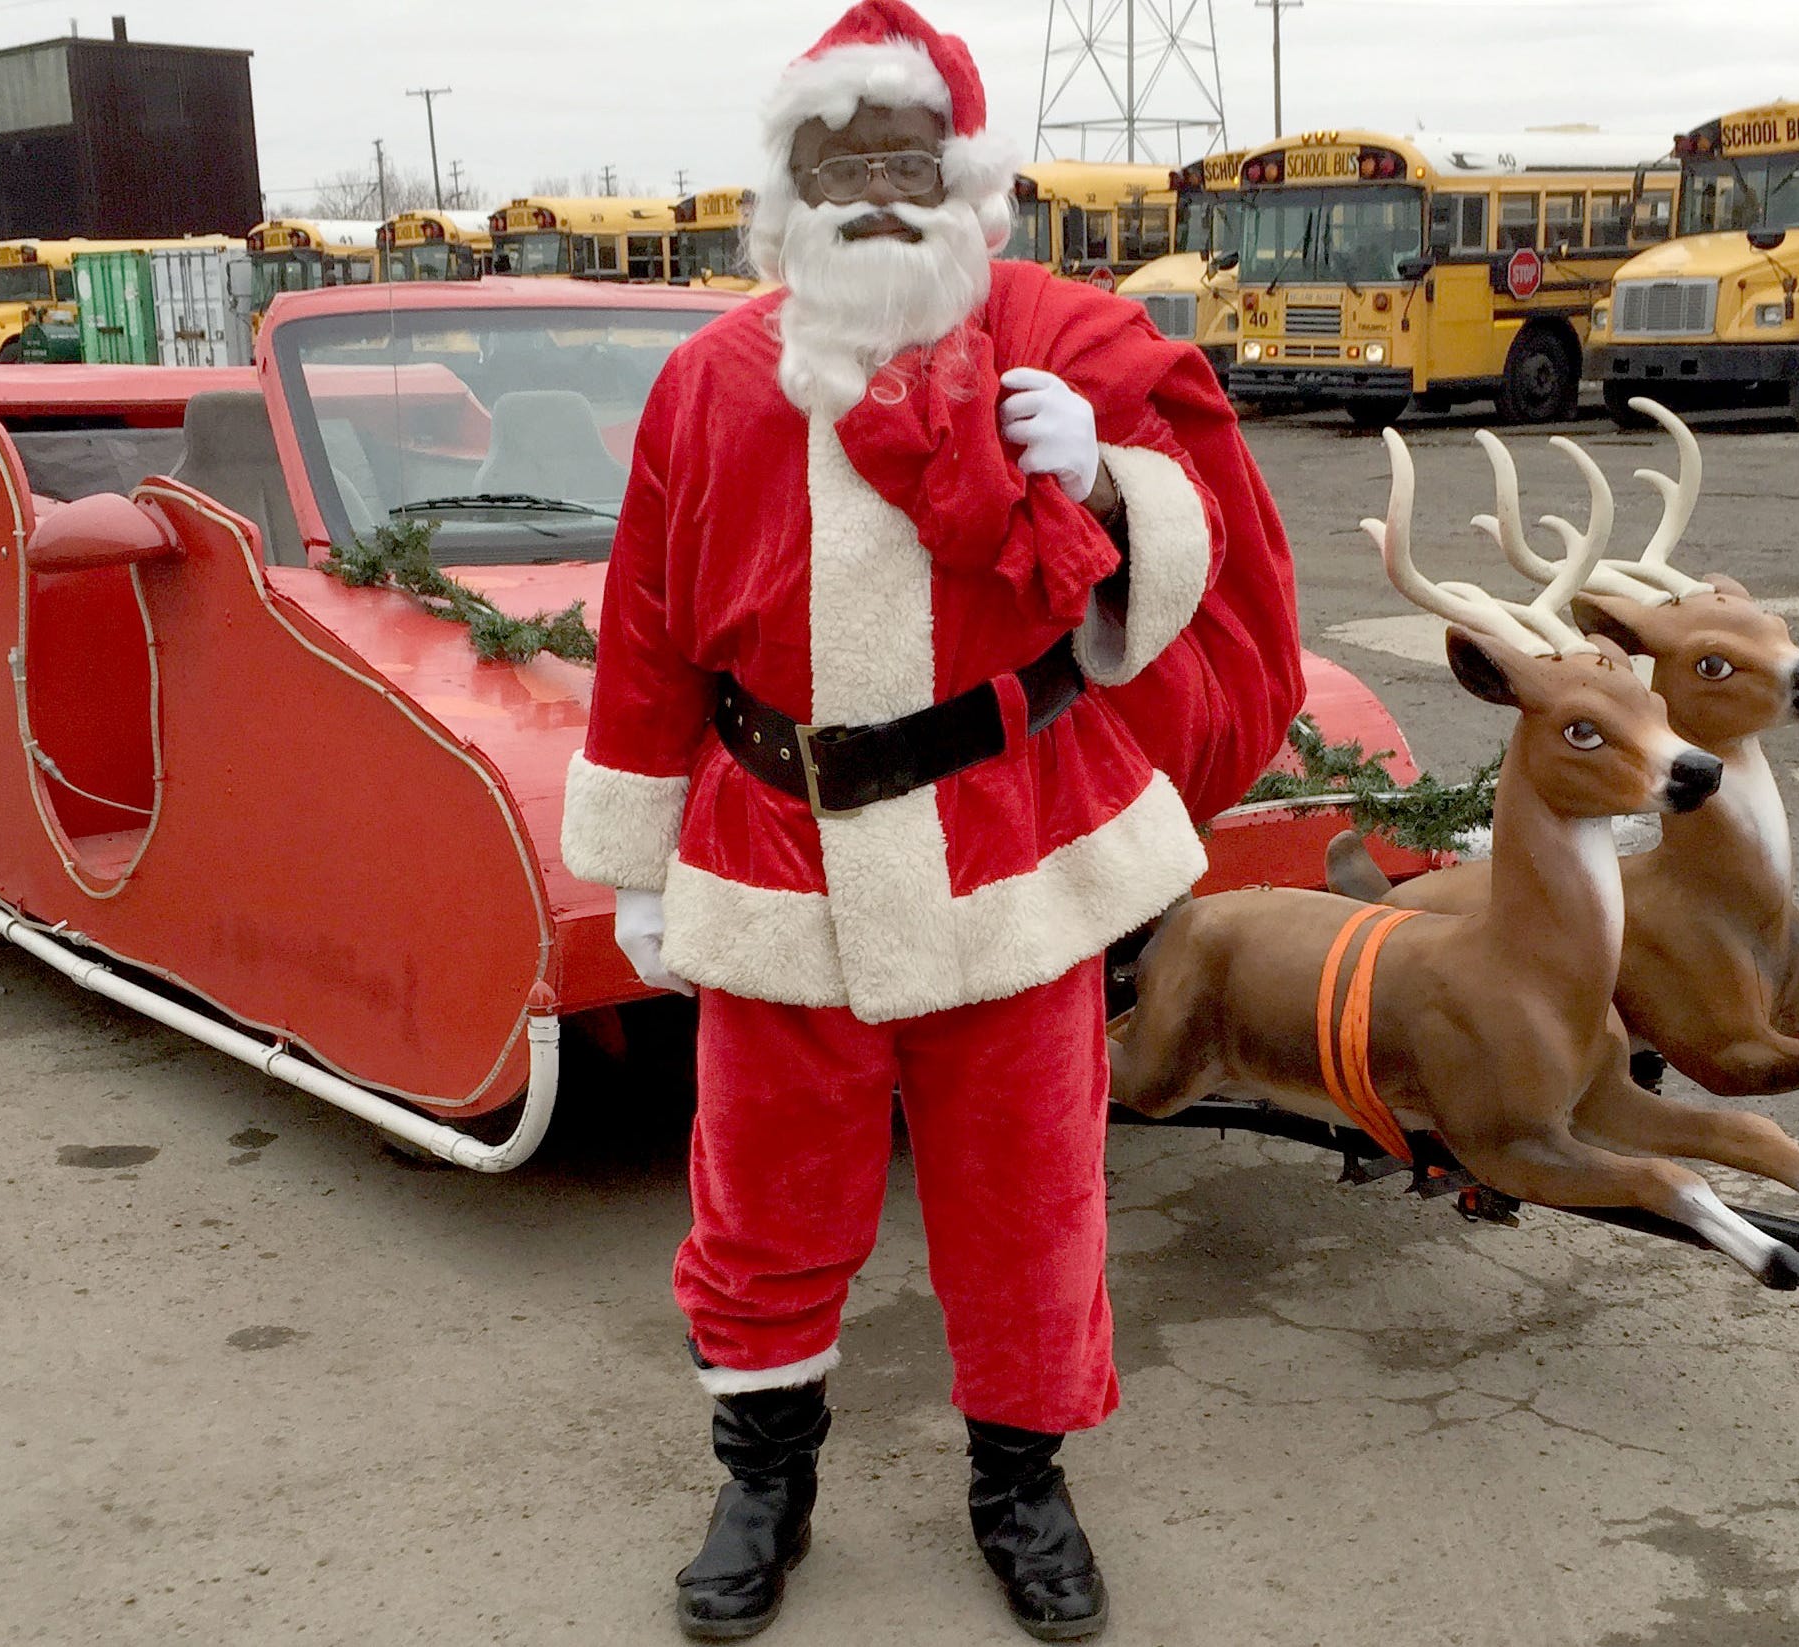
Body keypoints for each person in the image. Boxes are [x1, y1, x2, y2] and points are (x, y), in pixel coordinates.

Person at [559, 2, 1302, 1637]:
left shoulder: (1062, 344)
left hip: (1007, 850)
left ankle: (1020, 1487)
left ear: (964, 188)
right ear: (788, 190)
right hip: (776, 850)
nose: (872, 199)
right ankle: (766, 1479)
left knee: (1030, 1201)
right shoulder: (706, 381)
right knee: (759, 1199)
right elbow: (645, 626)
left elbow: (1194, 552)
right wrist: (628, 865)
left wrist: (1102, 477)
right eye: (841, 170)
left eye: (909, 167)